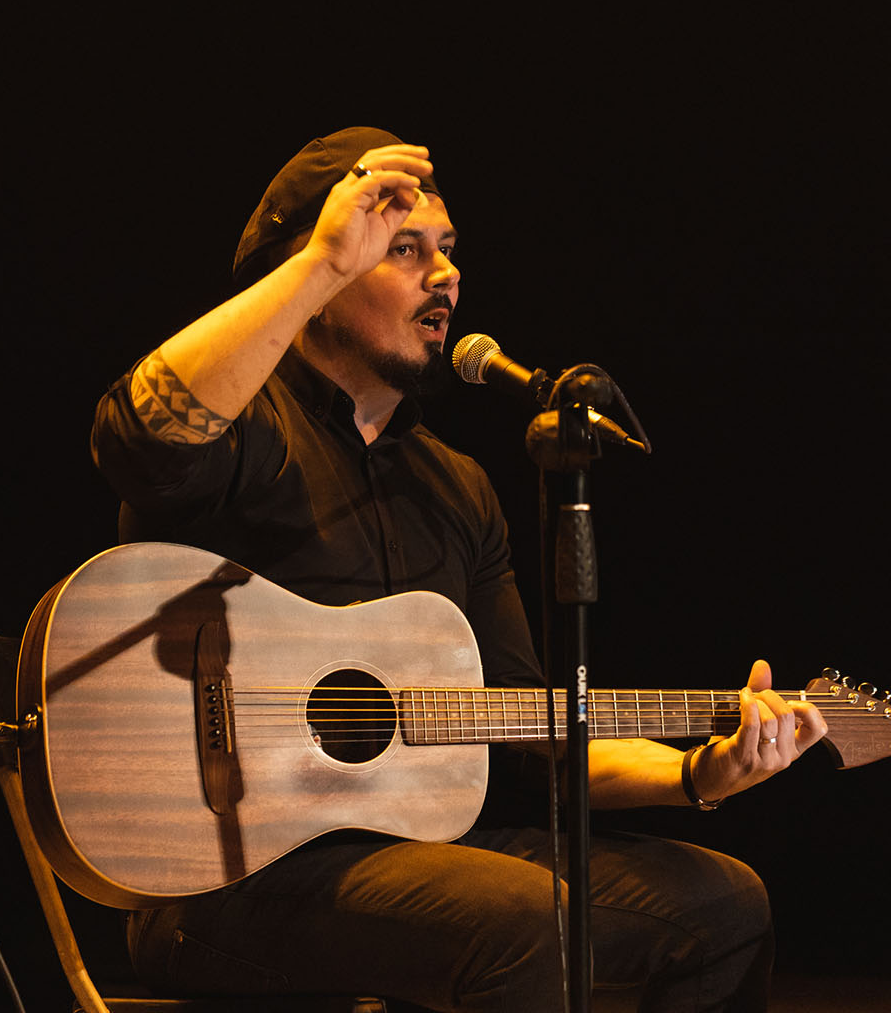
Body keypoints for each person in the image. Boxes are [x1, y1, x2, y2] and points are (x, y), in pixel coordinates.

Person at [89, 127, 828, 1012]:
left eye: (446, 249)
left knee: (724, 907)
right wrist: (324, 259)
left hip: (417, 858)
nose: (445, 275)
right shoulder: (245, 429)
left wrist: (696, 775)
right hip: (217, 874)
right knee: (528, 920)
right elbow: (136, 439)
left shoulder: (458, 487)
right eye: (403, 249)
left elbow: (526, 739)